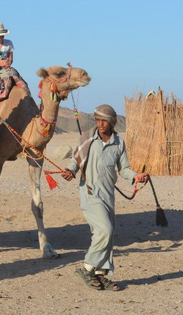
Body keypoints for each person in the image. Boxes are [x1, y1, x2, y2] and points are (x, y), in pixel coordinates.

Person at [63, 104, 149, 291]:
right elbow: (75, 160)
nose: (100, 124)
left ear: (112, 122)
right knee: (106, 230)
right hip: (90, 192)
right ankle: (87, 267)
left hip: (108, 195)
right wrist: (70, 171)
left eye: (104, 121)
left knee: (104, 236)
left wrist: (135, 176)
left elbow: (124, 169)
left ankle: (100, 274)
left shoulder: (119, 143)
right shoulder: (87, 139)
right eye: (98, 120)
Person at [0, 22, 26, 104]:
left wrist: (8, 63)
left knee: (18, 79)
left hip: (6, 67)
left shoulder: (8, 43)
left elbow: (10, 58)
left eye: (1, 36)